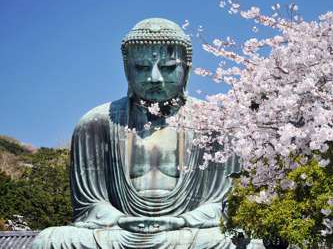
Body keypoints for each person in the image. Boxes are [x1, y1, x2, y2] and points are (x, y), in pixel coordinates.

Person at [32, 18, 261, 249]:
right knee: (49, 240)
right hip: (120, 232)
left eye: (169, 67)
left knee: (243, 244)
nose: (154, 78)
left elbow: (222, 204)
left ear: (186, 69)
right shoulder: (96, 122)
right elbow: (89, 205)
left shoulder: (216, 124)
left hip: (189, 232)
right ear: (126, 69)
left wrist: (182, 221)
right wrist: (122, 220)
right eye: (141, 68)